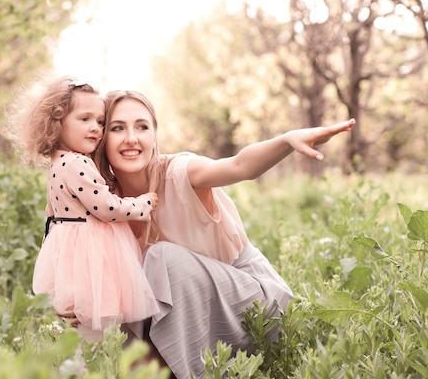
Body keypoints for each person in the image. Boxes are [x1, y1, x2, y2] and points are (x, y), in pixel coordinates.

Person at [93, 89, 356, 379]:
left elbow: (239, 165)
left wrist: (286, 141)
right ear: (103, 137)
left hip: (254, 309)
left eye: (142, 127)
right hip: (193, 322)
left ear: (154, 135)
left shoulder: (179, 172)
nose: (131, 138)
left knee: (161, 257)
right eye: (118, 128)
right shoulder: (104, 202)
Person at [3, 75, 160, 340]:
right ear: (57, 122)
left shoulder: (58, 162)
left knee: (83, 323)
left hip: (71, 252)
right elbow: (106, 208)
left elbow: (51, 212)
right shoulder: (77, 164)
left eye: (100, 121)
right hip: (90, 254)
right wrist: (141, 204)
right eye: (84, 119)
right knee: (96, 320)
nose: (95, 128)